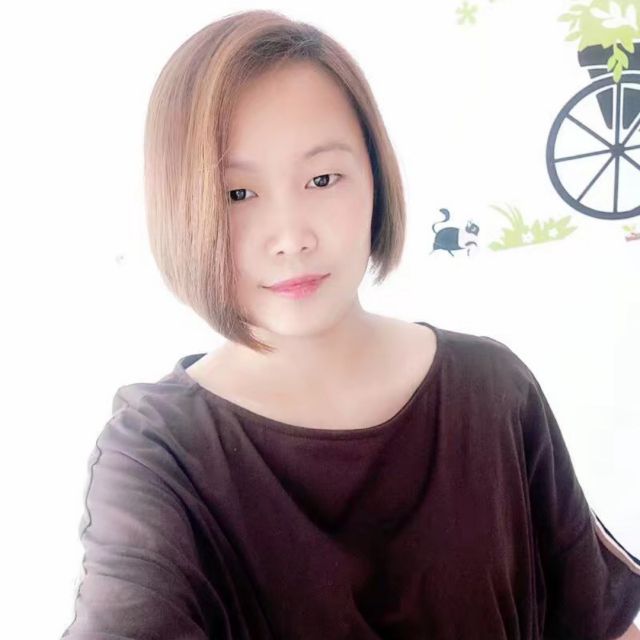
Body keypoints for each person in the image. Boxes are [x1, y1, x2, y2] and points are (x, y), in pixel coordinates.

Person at [60, 9, 640, 640]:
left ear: (375, 179)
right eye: (237, 194)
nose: (292, 236)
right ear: (182, 208)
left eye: (322, 178)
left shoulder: (493, 389)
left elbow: (599, 626)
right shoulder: (156, 456)